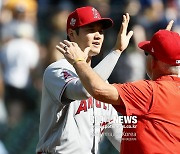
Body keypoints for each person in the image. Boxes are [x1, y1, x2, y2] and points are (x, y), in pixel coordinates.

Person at [57, 16, 180, 154]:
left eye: (147, 54)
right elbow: (122, 135)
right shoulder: (162, 93)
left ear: (154, 62)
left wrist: (78, 61)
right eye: (91, 30)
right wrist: (165, 44)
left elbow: (96, 89)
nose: (98, 36)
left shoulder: (149, 92)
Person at [36, 6, 134, 154]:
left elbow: (121, 139)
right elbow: (85, 89)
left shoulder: (103, 82)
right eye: (90, 30)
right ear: (72, 34)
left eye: (100, 31)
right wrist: (116, 51)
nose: (98, 36)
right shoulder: (57, 70)